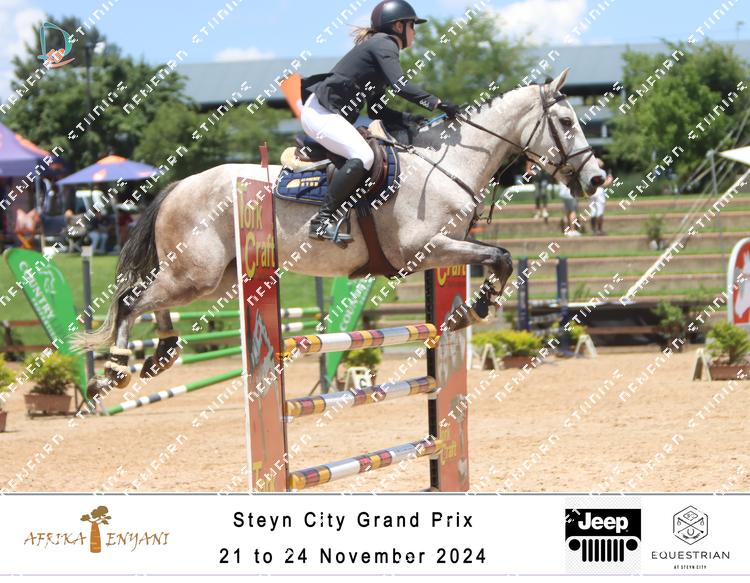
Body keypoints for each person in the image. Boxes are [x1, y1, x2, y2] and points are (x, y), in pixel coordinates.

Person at [300, 0, 460, 243]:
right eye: (412, 26)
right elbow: (401, 86)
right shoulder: (384, 44)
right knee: (363, 156)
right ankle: (321, 221)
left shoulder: (379, 47)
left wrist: (409, 118)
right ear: (398, 26)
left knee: (364, 154)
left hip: (325, 113)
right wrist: (438, 103)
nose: (414, 33)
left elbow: (376, 110)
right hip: (320, 113)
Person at [589, 159, 613, 235]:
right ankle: (599, 230)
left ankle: (593, 230)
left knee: (593, 211)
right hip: (599, 191)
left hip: (591, 191)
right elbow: (604, 184)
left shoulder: (589, 172)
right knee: (600, 211)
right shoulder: (602, 172)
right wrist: (610, 179)